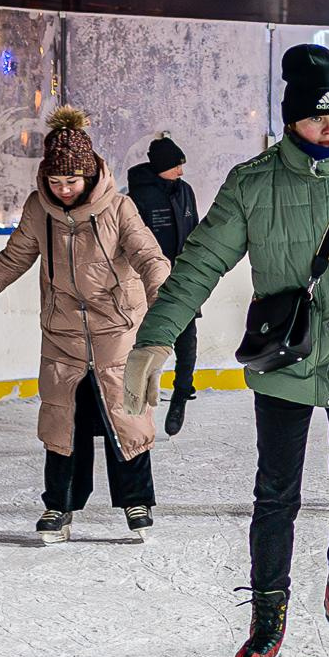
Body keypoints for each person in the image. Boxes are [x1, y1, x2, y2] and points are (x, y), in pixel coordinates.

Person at [123, 44, 329, 657]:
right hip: (285, 363)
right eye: (316, 117)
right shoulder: (252, 183)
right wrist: (155, 337)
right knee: (276, 494)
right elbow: (197, 265)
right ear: (290, 120)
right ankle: (267, 616)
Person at [0, 107, 171, 539]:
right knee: (62, 423)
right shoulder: (38, 209)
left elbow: (151, 260)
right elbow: (14, 258)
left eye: (71, 181)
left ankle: (136, 503)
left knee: (127, 416)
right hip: (62, 332)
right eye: (55, 182)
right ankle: (58, 509)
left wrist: (168, 310)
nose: (63, 190)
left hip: (117, 330)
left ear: (90, 176)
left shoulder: (119, 209)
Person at [125, 135, 202, 436]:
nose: (181, 172)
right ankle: (137, 399)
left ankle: (182, 393)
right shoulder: (137, 197)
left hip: (183, 278)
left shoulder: (185, 192)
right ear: (160, 168)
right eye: (176, 166)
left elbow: (194, 229)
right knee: (150, 342)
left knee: (188, 339)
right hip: (148, 282)